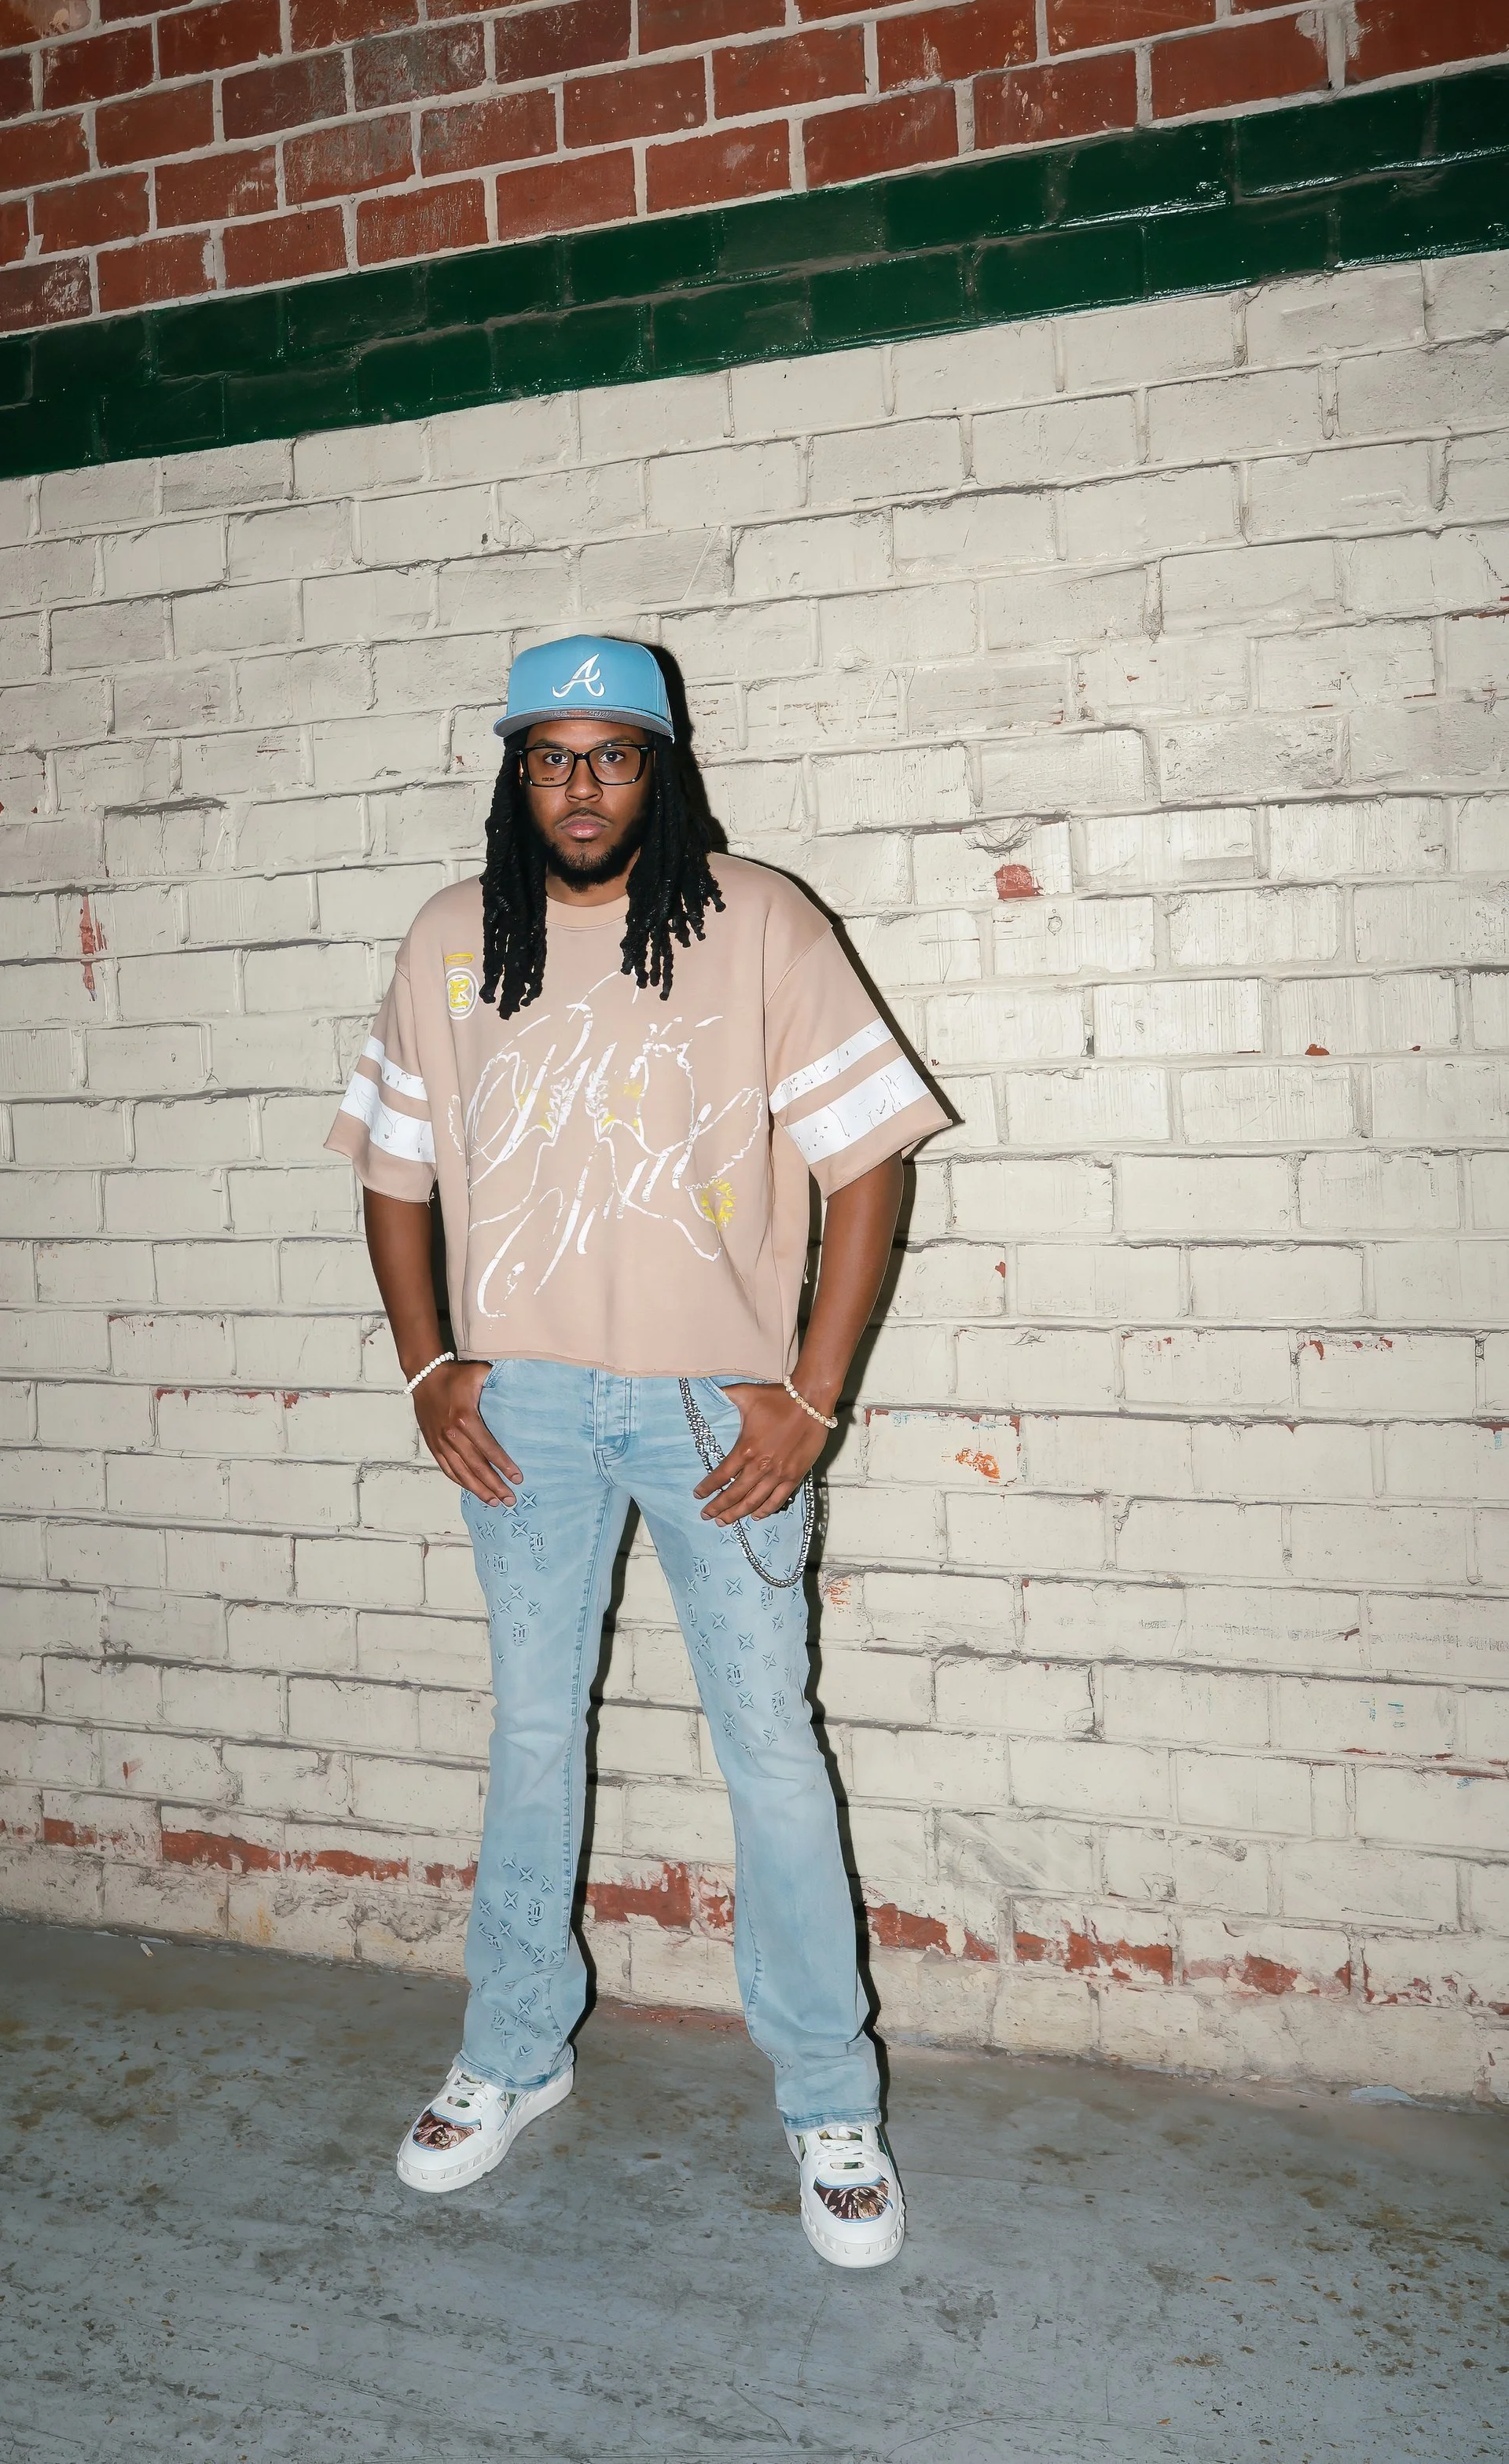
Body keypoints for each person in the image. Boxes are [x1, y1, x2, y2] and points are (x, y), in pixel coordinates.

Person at [326, 634, 949, 2268]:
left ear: (659, 770)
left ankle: (827, 2096)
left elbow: (869, 1157)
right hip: (521, 1400)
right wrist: (426, 1364)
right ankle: (511, 2051)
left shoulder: (755, 918)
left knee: (766, 1743)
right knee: (531, 1730)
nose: (581, 785)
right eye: (550, 754)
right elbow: (393, 1168)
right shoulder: (452, 938)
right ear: (511, 769)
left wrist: (807, 1392)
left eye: (612, 755)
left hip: (708, 1409)